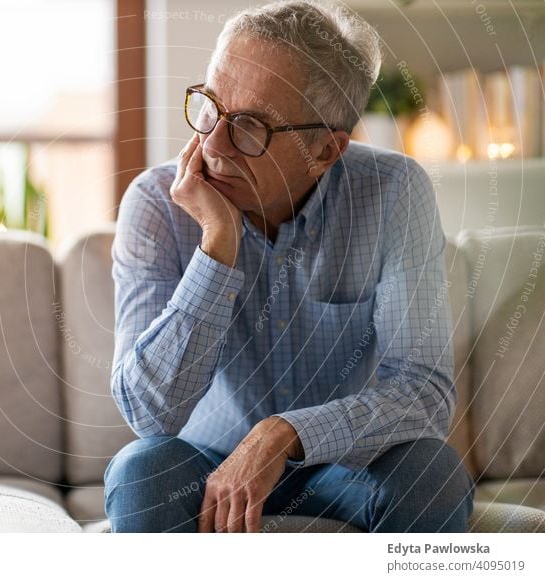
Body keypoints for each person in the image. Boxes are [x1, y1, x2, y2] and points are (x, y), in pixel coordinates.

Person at [104, 0, 474, 533]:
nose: (211, 145)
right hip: (205, 466)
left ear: (324, 150)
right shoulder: (157, 203)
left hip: (345, 468)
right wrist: (217, 247)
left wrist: (283, 434)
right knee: (140, 473)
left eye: (250, 126)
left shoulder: (394, 191)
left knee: (432, 472)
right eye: (209, 105)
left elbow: (424, 394)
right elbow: (149, 414)